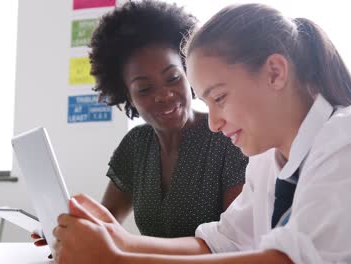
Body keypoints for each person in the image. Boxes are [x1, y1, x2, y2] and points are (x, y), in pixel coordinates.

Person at [52, 3, 351, 264]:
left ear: (275, 72)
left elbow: (291, 259)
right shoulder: (266, 162)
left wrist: (118, 260)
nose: (213, 122)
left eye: (219, 97)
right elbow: (222, 243)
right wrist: (121, 242)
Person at [58, 0, 247, 239]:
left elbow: (234, 241)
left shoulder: (226, 137)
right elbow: (106, 221)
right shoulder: (136, 145)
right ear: (128, 95)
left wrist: (127, 252)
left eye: (172, 78)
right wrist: (68, 230)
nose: (164, 95)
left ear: (188, 72)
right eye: (145, 89)